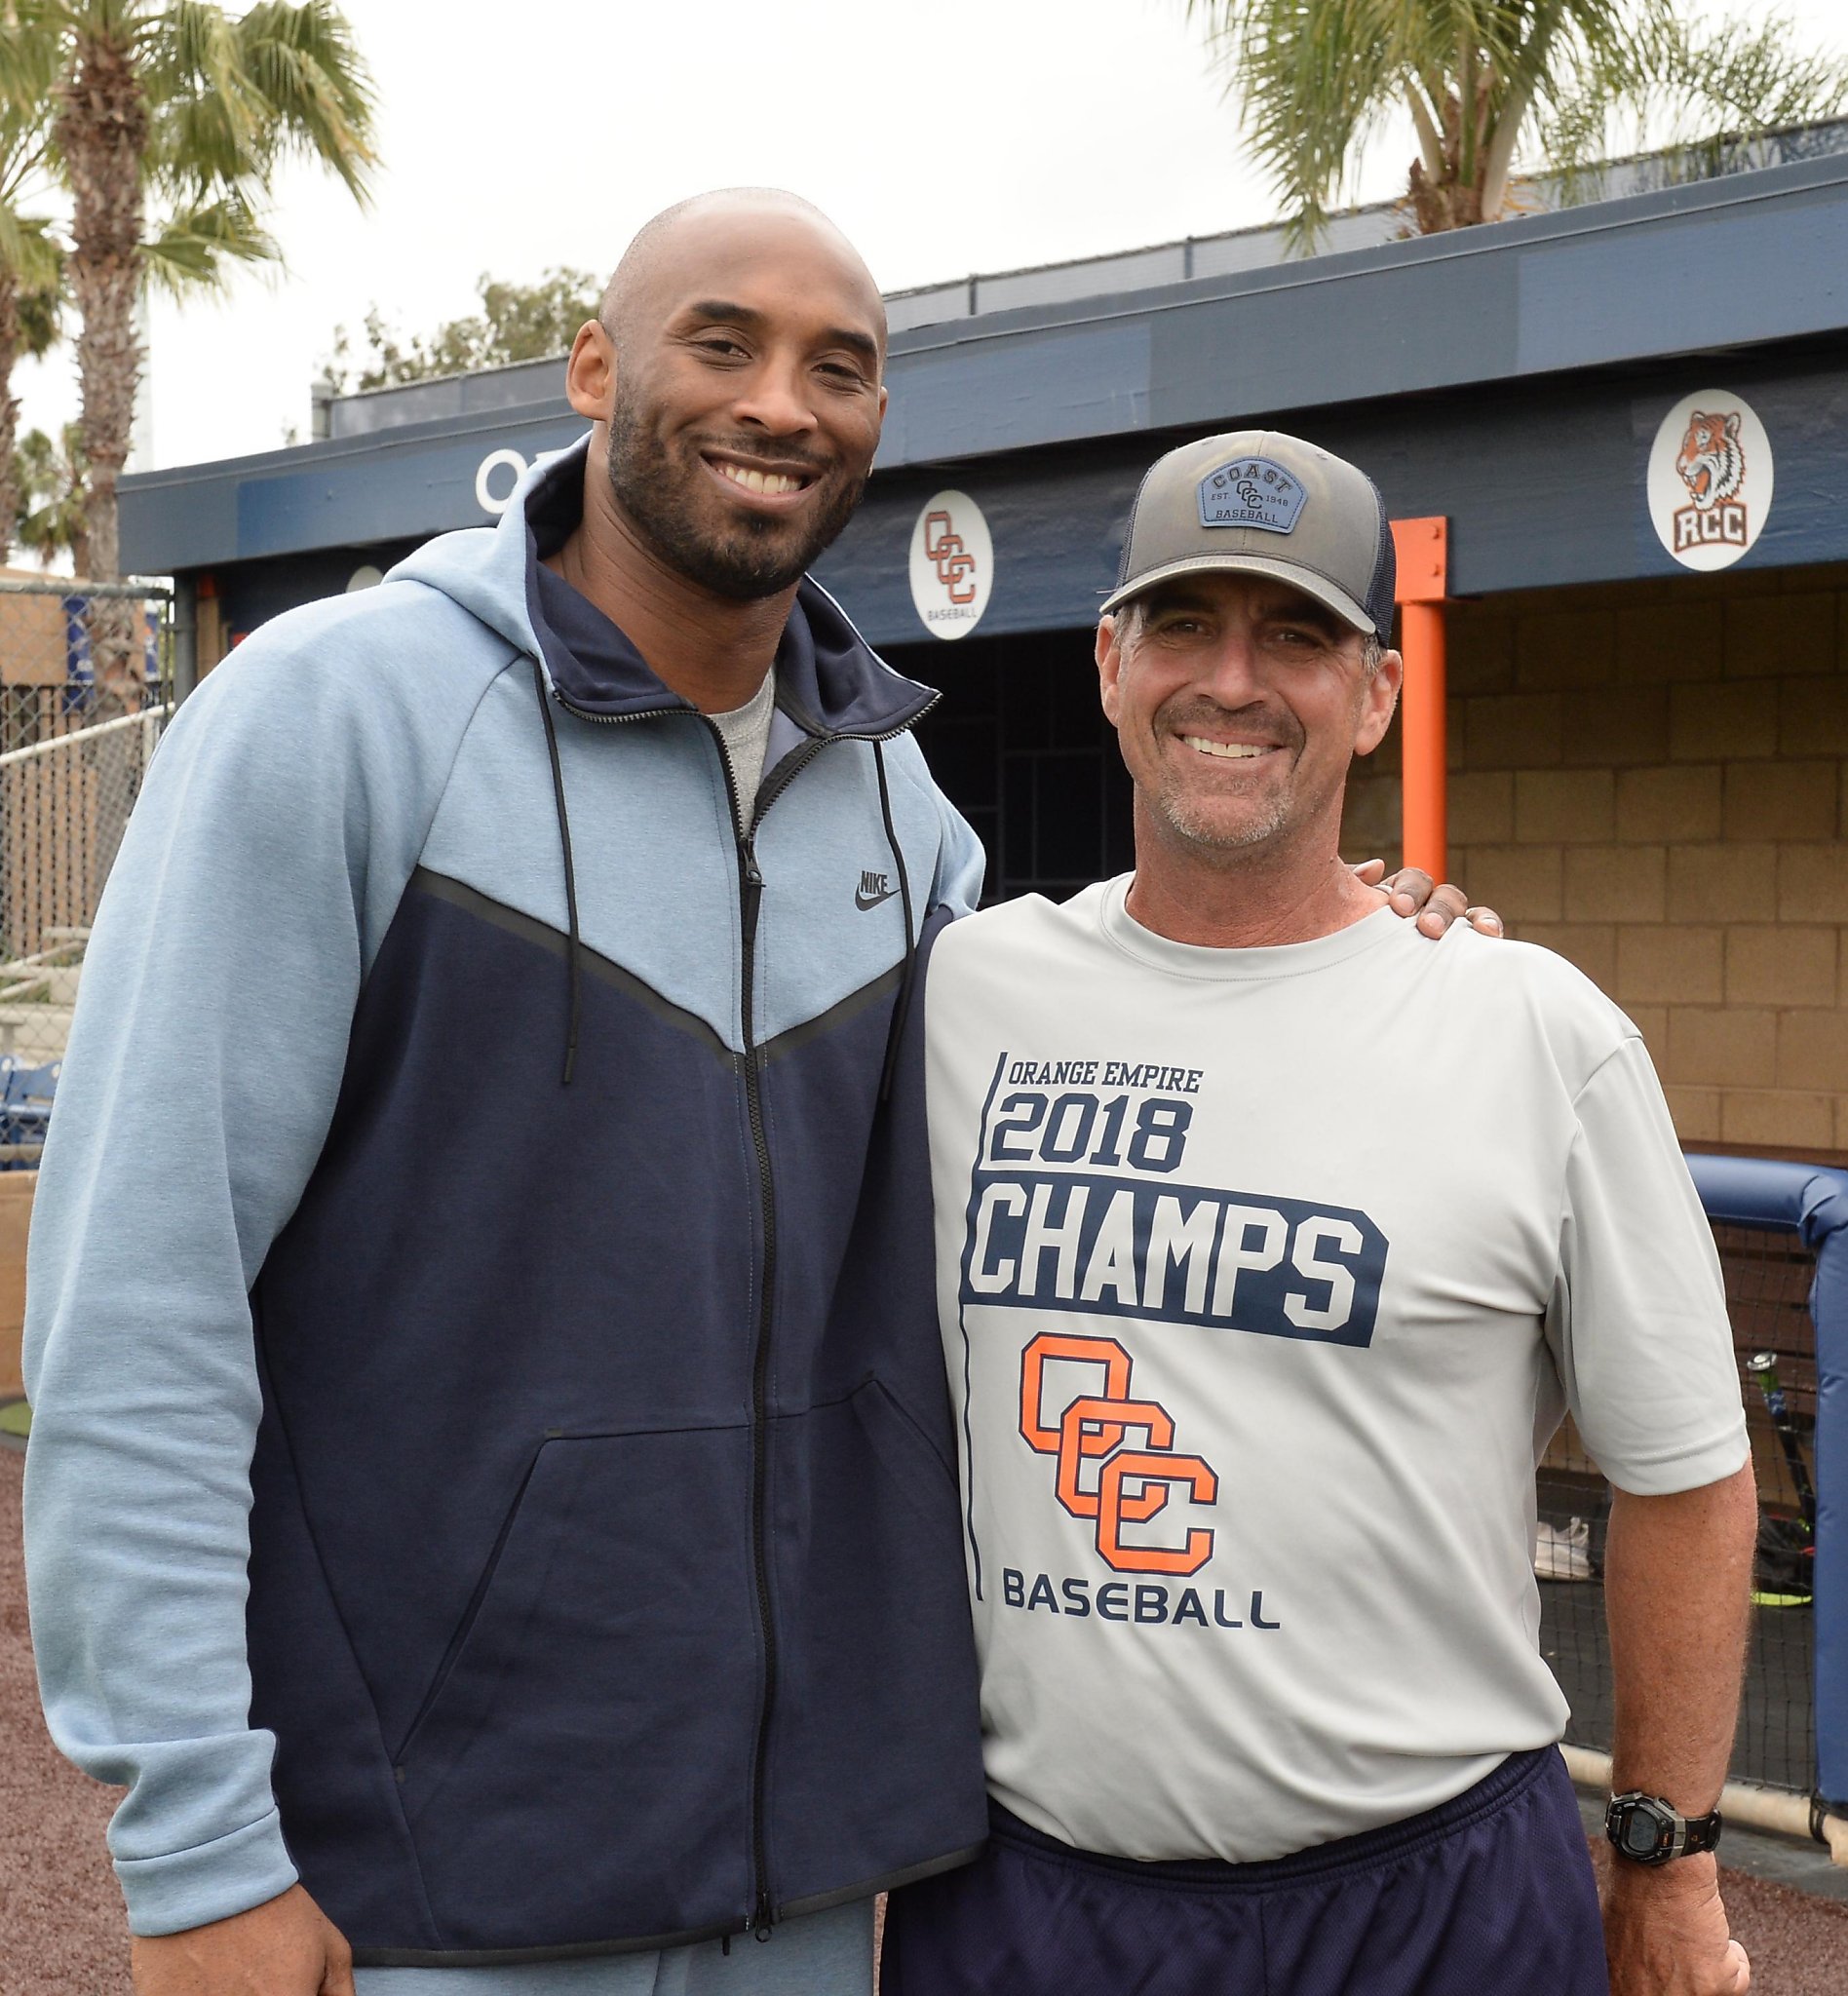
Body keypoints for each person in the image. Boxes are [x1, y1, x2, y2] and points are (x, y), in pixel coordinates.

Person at [22, 198, 1473, 1996]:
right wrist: (192, 1843)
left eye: (839, 368)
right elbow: (140, 1303)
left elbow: (1116, 1036)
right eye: (723, 344)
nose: (783, 402)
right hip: (425, 1885)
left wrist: (1344, 927)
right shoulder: (331, 718)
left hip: (802, 1885)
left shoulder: (900, 812)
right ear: (594, 370)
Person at [887, 430, 1758, 1996]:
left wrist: (1670, 1858)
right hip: (1033, 1895)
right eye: (1183, 625)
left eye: (1297, 634)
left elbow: (1688, 1479)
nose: (1234, 681)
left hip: (1429, 1904)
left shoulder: (1533, 1031)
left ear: (1376, 694)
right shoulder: (963, 992)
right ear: (1108, 663)